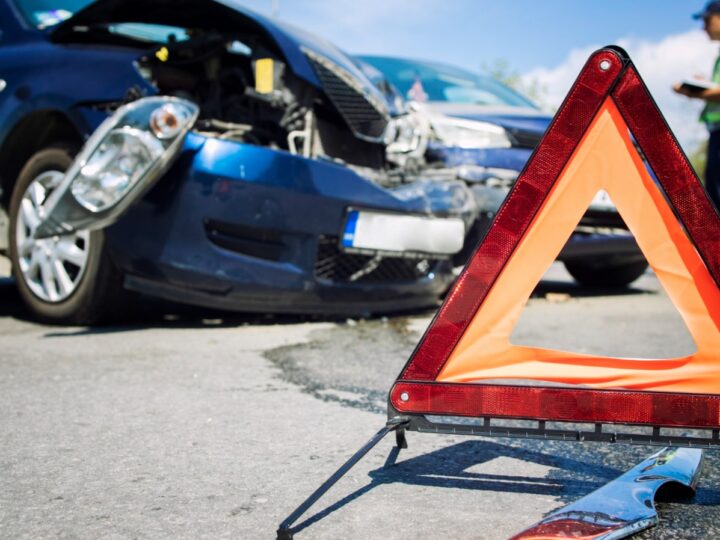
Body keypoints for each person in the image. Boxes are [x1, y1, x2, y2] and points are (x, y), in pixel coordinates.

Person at [673, 0, 720, 210]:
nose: (704, 27)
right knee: (713, 190)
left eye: (707, 20)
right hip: (716, 130)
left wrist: (692, 92)